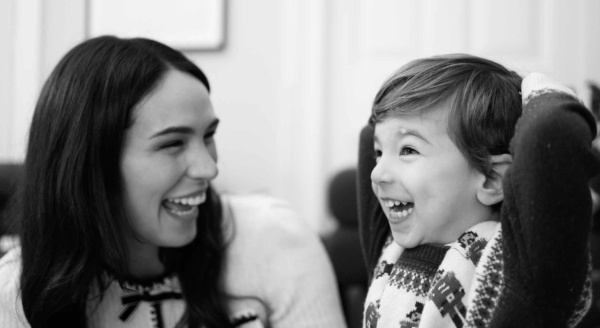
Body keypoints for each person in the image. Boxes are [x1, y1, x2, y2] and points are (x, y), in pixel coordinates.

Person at [0, 36, 347, 328]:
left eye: (208, 136)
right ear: (91, 166)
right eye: (172, 144)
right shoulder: (16, 292)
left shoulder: (275, 238)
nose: (209, 169)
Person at [358, 54, 599, 327]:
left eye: (409, 149)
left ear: (492, 179)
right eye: (380, 153)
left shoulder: (515, 274)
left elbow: (551, 131)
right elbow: (369, 133)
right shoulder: (389, 253)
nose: (377, 173)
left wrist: (540, 88)